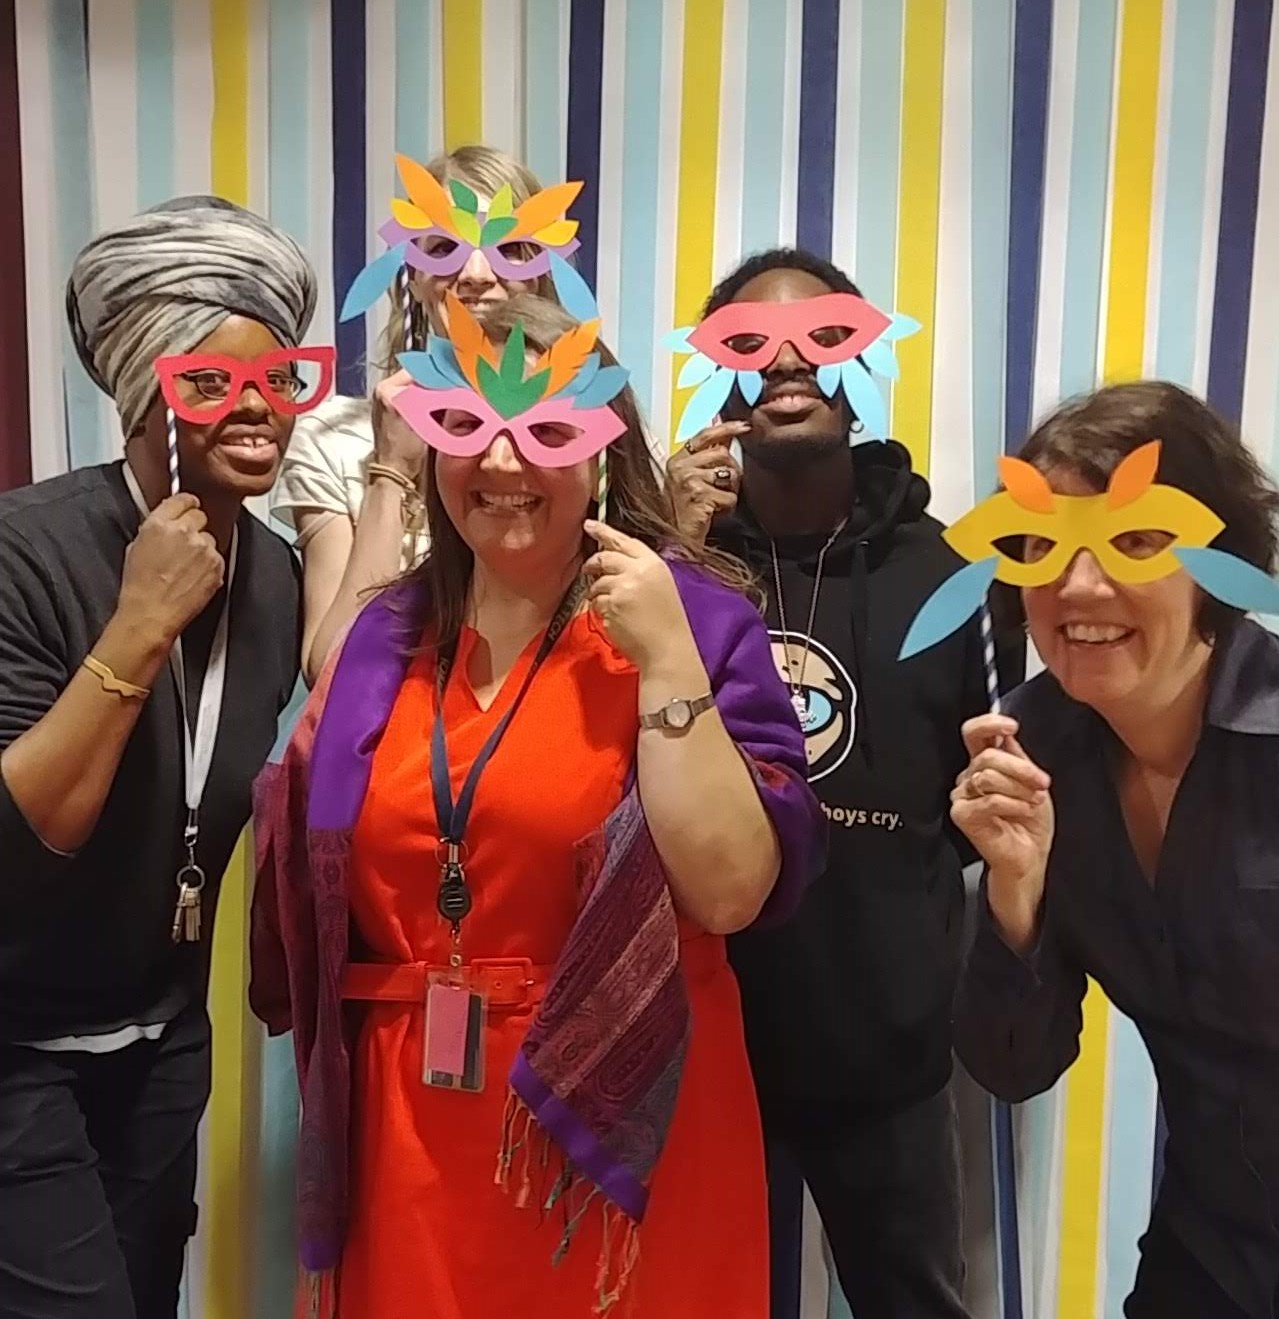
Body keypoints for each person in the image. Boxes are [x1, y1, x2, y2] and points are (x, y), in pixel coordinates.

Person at [250, 291, 825, 1319]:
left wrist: (666, 666)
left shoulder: (693, 617)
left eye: (548, 427)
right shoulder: (383, 638)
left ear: (604, 448)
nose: (506, 464)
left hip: (620, 1128)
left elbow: (733, 891)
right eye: (466, 424)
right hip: (404, 1128)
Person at [668, 246, 1023, 1319]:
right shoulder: (667, 560)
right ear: (715, 373)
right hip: (708, 1046)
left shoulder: (950, 573)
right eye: (748, 340)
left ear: (862, 359)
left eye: (818, 335)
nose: (786, 361)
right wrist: (672, 546)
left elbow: (979, 800)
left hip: (892, 1055)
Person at [0, 196, 315, 1319]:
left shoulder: (275, 576)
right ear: (142, 389)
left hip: (162, 1037)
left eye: (283, 380)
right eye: (210, 383)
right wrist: (137, 627)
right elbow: (27, 835)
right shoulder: (26, 549)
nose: (257, 411)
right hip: (17, 1042)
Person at [952, 381, 1279, 1319]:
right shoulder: (1029, 749)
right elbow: (1012, 1065)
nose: (1080, 584)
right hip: (1207, 1249)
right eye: (1043, 544)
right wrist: (1014, 894)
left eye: (1135, 540)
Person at [273, 144, 559, 684]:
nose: (475, 273)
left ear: (545, 271)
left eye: (510, 247)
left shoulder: (585, 432)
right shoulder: (333, 439)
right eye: (445, 247)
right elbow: (330, 672)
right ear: (413, 272)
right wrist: (390, 472)